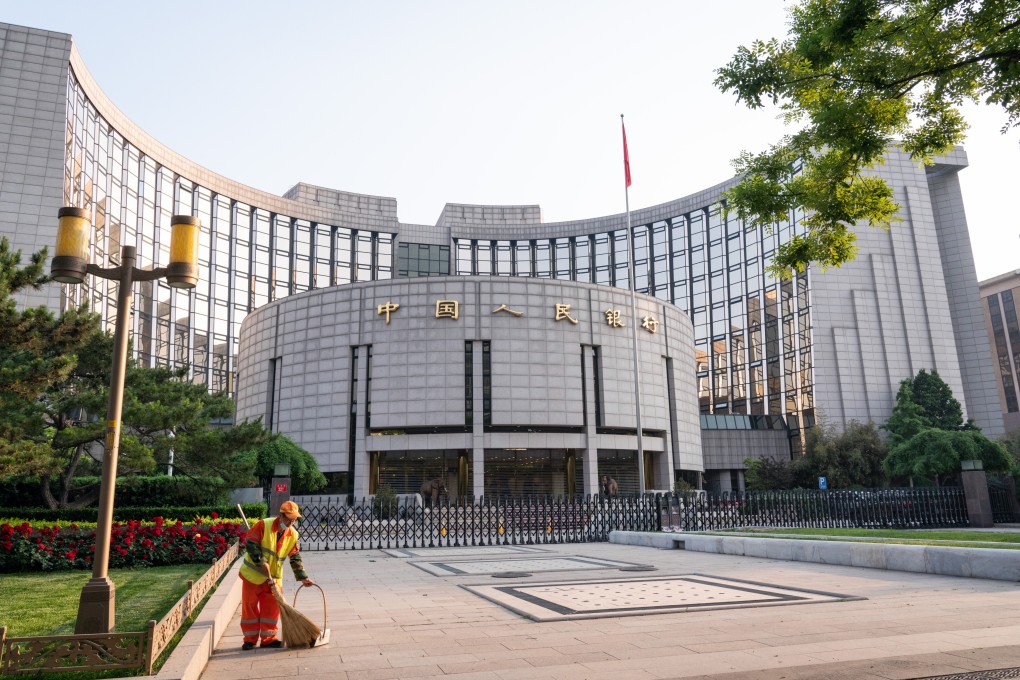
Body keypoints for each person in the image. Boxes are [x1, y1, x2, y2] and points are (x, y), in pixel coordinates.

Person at [238, 500, 315, 650]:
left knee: (272, 609)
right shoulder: (263, 525)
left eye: (294, 519)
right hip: (253, 576)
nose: (291, 522)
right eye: (288, 518)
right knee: (250, 608)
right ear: (280, 516)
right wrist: (260, 561)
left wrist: (303, 577)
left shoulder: (293, 534)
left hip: (273, 578)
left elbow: (295, 557)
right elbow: (251, 543)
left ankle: (268, 639)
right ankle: (250, 639)